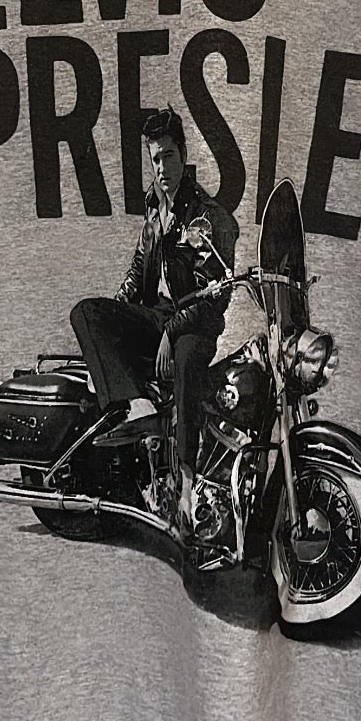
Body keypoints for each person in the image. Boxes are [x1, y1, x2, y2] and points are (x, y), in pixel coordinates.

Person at [70, 106, 239, 533]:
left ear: (183, 154)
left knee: (186, 361)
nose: (161, 167)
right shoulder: (154, 210)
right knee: (87, 312)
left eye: (168, 156)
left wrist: (171, 329)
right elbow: (136, 274)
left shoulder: (208, 216)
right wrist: (114, 319)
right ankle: (135, 410)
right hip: (156, 319)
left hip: (192, 324)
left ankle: (187, 485)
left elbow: (215, 296)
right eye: (154, 159)